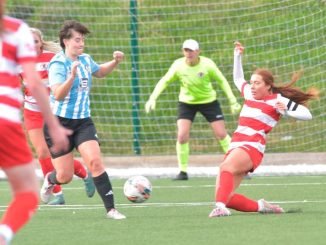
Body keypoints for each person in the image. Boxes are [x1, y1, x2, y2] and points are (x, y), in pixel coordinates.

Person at [208, 42, 319, 218]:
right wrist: (237, 56)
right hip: (236, 146)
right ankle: (262, 206)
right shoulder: (249, 94)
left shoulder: (276, 99)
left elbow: (307, 114)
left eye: (257, 83)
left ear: (268, 86)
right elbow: (238, 79)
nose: (252, 86)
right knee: (227, 196)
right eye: (251, 82)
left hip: (252, 147)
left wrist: (287, 110)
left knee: (225, 168)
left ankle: (220, 208)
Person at [40, 20, 126, 219]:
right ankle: (51, 179)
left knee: (95, 161)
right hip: (58, 124)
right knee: (65, 176)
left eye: (83, 40)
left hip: (83, 122)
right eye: (77, 40)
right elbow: (58, 94)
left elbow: (100, 72)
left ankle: (111, 209)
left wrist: (115, 62)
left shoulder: (86, 59)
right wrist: (71, 77)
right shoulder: (58, 63)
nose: (81, 44)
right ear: (66, 41)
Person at [0, 2, 71, 244]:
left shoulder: (50, 55)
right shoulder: (16, 30)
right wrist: (54, 123)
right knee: (28, 194)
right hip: (5, 121)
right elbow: (32, 81)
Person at [145, 39, 241, 180]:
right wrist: (152, 98)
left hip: (209, 102)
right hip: (186, 103)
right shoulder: (178, 65)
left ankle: (237, 167)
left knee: (221, 134)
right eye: (186, 50)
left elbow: (222, 80)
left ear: (198, 52)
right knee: (182, 136)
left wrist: (232, 100)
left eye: (191, 50)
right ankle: (182, 172)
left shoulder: (207, 64)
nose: (188, 53)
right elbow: (165, 80)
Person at [21, 27, 95, 205]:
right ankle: (58, 193)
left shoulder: (53, 58)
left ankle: (83, 174)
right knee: (42, 152)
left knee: (59, 156)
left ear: (41, 43)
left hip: (54, 112)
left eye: (35, 41)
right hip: (32, 112)